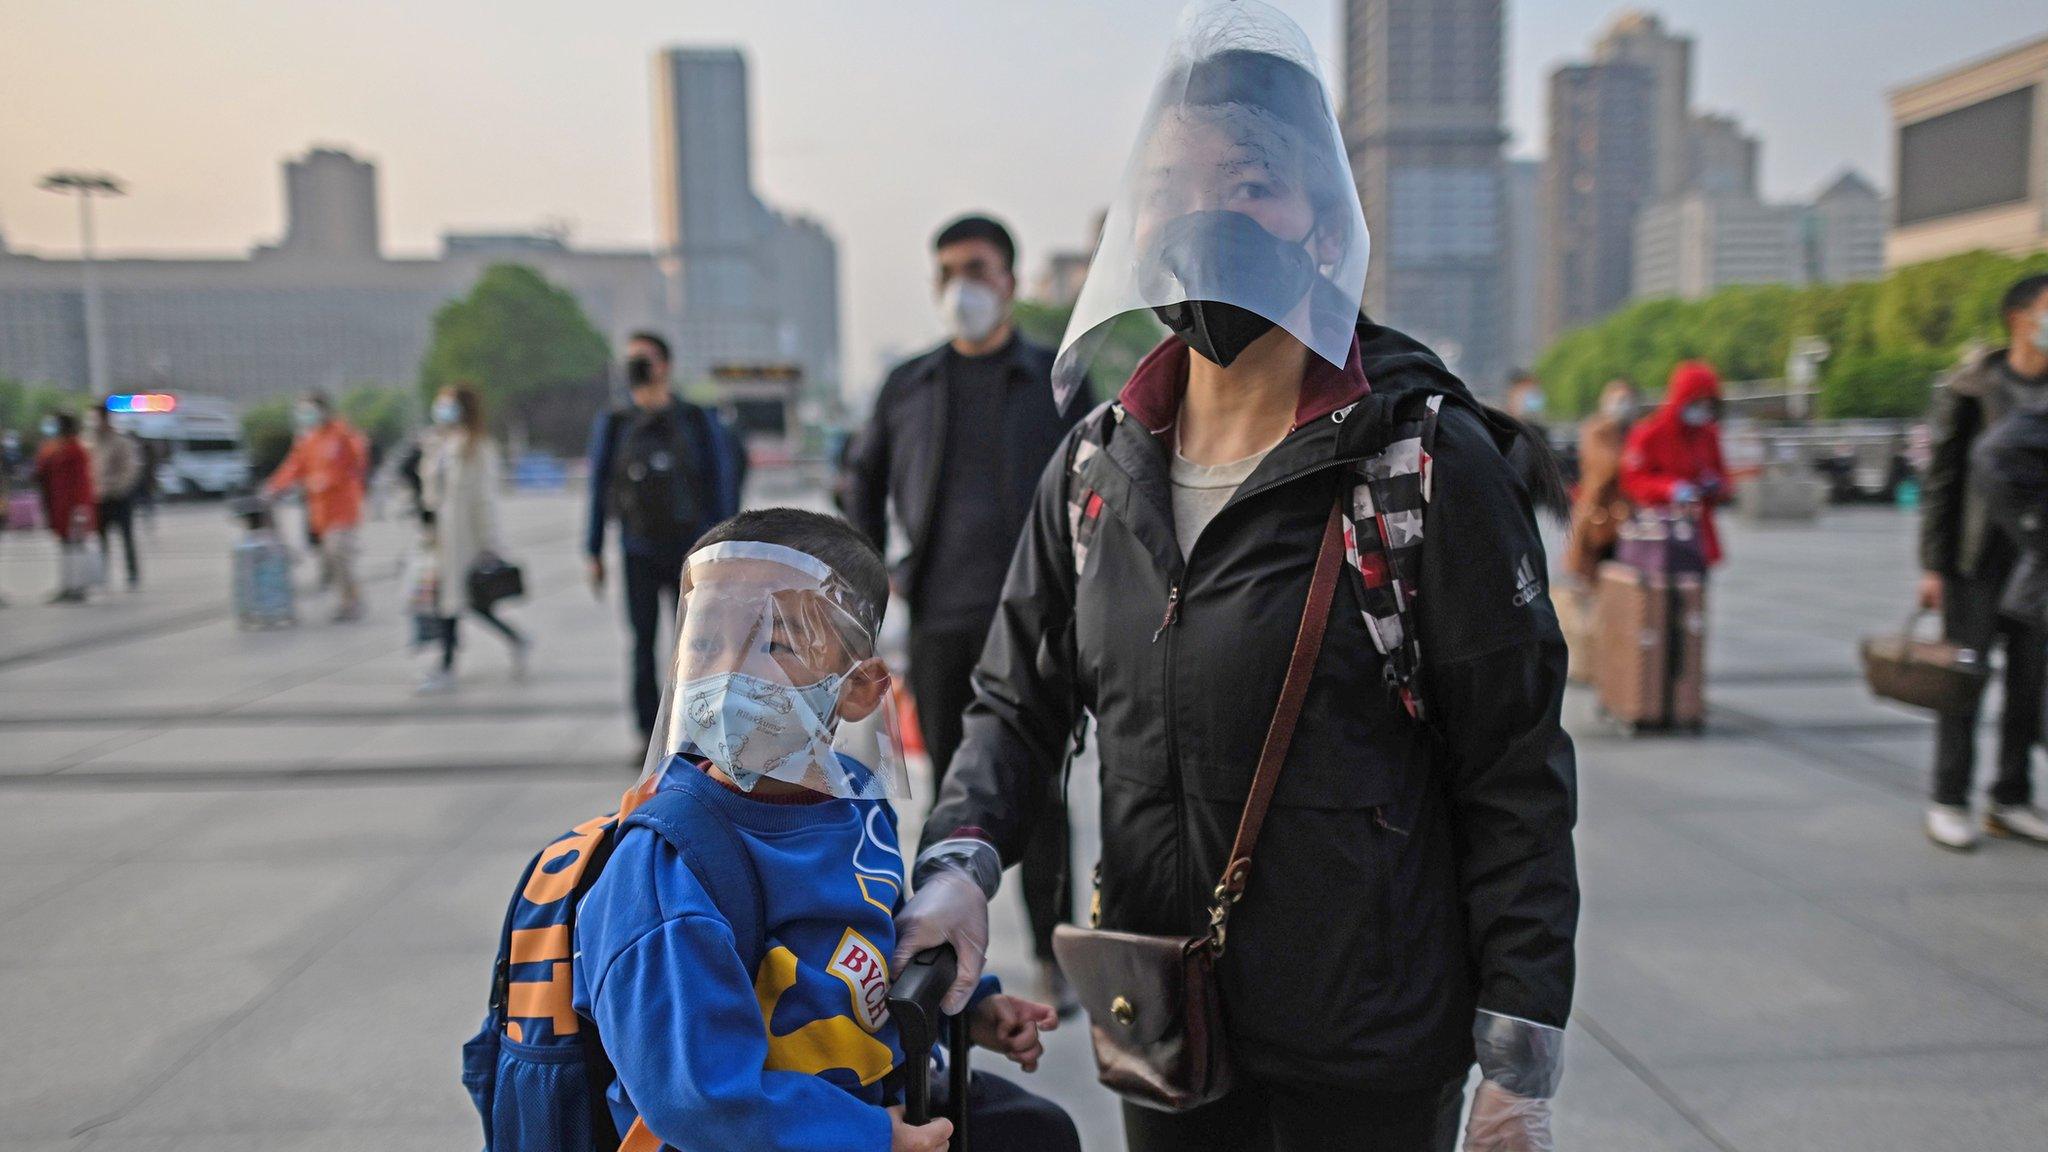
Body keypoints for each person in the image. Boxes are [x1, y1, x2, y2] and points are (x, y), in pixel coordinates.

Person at [893, 6, 1578, 1149]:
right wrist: (961, 863)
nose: (1204, 214)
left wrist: (1517, 1063)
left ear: (1319, 219)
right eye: (1169, 186)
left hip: (1369, 1045)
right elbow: (1013, 707)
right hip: (1166, 1025)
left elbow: (1512, 776)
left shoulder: (1417, 463)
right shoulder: (1093, 473)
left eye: (1250, 181)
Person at [573, 508, 1079, 1152]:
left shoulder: (855, 800)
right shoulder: (668, 865)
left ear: (861, 688)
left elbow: (870, 935)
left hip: (869, 1096)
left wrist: (969, 1003)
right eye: (703, 644)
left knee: (1039, 1134)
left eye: (777, 645)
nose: (729, 673)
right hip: (779, 1135)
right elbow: (698, 1097)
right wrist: (869, 1136)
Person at [841, 213, 1086, 1011]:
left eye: (976, 270)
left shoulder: (1059, 379)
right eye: (946, 273)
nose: (961, 288)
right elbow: (861, 485)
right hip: (943, 620)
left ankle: (1053, 949)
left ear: (1010, 281)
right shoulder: (910, 385)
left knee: (1039, 792)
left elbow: (1105, 482)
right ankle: (942, 947)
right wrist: (873, 583)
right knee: (955, 788)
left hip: (1040, 623)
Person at [1919, 272, 2048, 850]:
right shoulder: (1971, 386)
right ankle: (1949, 799)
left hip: (2037, 560)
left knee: (2029, 682)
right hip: (1976, 560)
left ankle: (2011, 797)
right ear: (2021, 318)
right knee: (1963, 682)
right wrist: (1931, 566)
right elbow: (1942, 481)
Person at [585, 331, 745, 744]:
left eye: (646, 359)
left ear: (666, 365)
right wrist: (593, 549)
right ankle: (647, 731)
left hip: (691, 551)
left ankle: (696, 727)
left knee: (699, 645)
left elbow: (721, 480)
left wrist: (726, 545)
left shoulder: (695, 419)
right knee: (641, 643)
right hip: (637, 548)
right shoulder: (616, 423)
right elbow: (599, 485)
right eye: (631, 360)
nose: (638, 367)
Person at [415, 383, 529, 695]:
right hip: (441, 538)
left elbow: (485, 500)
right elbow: (431, 493)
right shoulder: (438, 443)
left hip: (466, 540)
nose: (443, 409)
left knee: (451, 602)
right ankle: (515, 638)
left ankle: (446, 666)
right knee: (462, 602)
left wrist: (490, 543)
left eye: (448, 403)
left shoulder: (477, 447)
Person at [263, 391, 369, 622]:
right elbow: (293, 467)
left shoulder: (341, 434)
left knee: (337, 552)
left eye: (310, 410)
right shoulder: (307, 441)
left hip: (343, 508)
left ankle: (351, 601)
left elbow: (356, 458)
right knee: (330, 558)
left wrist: (331, 478)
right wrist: (272, 487)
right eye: (303, 411)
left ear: (323, 411)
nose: (306, 415)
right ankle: (348, 596)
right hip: (321, 512)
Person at [1619, 360, 1731, 567]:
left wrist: (1715, 485)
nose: (1703, 410)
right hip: (1658, 531)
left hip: (1697, 531)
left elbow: (1722, 476)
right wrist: (1670, 488)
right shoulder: (1649, 433)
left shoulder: (1708, 434)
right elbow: (1633, 480)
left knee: (1693, 592)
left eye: (1708, 404)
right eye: (1697, 403)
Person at [1566, 378, 1641, 583]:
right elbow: (1605, 466)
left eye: (1627, 399)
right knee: (1594, 581)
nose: (1623, 405)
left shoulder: (1637, 431)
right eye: (1618, 400)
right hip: (1597, 518)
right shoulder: (1596, 430)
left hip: (1628, 519)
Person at [34, 411, 97, 604]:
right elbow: (42, 472)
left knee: (76, 547)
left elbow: (81, 482)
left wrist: (81, 509)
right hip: (60, 505)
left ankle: (77, 586)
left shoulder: (75, 450)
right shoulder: (57, 448)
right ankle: (68, 585)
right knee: (66, 547)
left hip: (73, 507)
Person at [86, 401, 144, 589]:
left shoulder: (120, 442)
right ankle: (102, 574)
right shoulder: (90, 441)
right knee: (101, 539)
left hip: (118, 498)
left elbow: (130, 469)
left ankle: (132, 573)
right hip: (99, 497)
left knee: (126, 536)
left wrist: (119, 489)